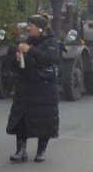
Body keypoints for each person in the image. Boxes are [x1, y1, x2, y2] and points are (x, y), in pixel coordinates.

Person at [5, 14, 60, 163]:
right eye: (28, 25)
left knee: (44, 119)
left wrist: (30, 51)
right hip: (25, 87)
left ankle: (41, 150)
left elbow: (50, 59)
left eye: (31, 25)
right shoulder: (25, 42)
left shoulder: (52, 42)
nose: (28, 28)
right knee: (21, 119)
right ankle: (20, 150)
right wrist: (16, 58)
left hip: (44, 88)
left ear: (40, 28)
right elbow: (14, 65)